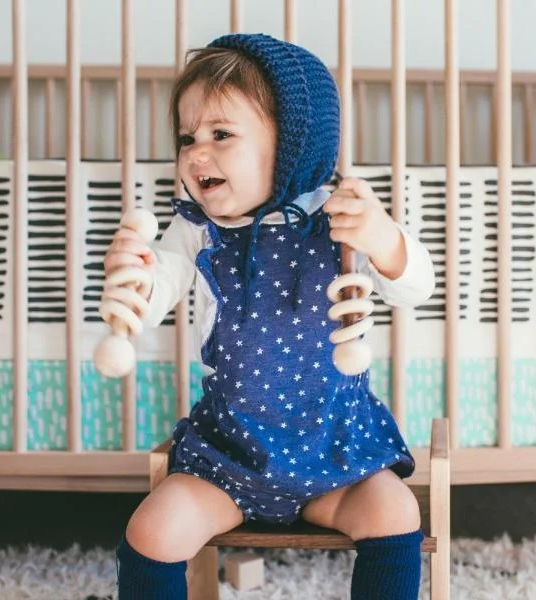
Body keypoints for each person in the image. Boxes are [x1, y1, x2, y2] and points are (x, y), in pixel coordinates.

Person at [104, 33, 435, 600]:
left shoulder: (339, 216)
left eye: (221, 135)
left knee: (395, 512)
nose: (196, 153)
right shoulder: (195, 229)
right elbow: (158, 290)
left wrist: (384, 239)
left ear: (291, 146)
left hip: (336, 453)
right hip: (228, 457)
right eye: (187, 138)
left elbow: (415, 286)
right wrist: (134, 277)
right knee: (152, 529)